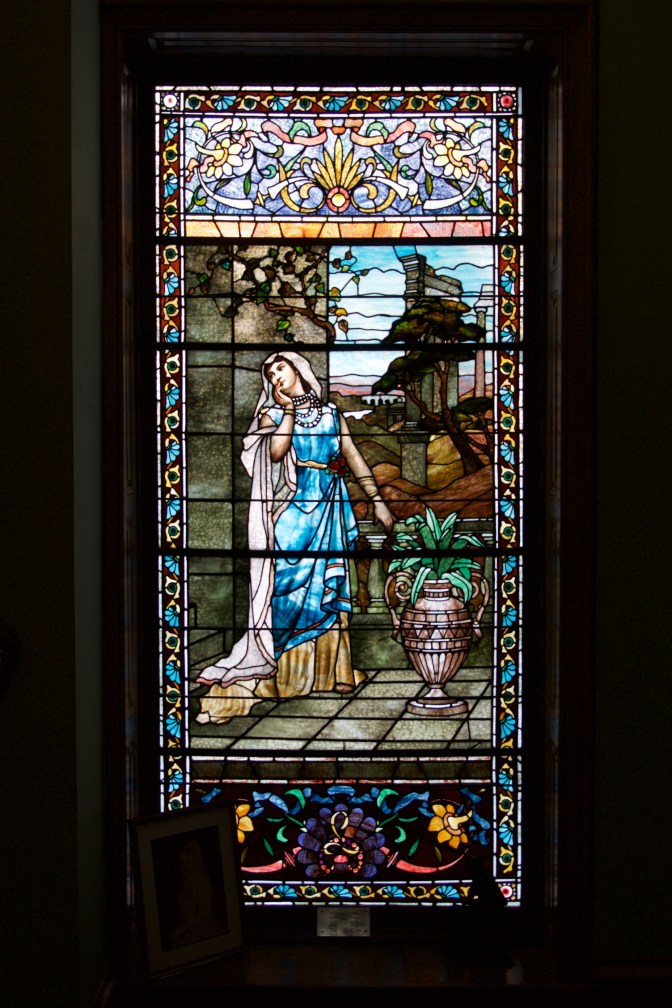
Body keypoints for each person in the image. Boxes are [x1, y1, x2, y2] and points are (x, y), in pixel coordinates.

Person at [195, 351, 394, 724]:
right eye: (269, 373)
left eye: (280, 368)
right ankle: (280, 679)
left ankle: (330, 673)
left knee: (326, 588)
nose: (275, 377)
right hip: (293, 509)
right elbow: (275, 452)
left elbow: (353, 458)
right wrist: (286, 411)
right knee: (284, 586)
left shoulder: (332, 414)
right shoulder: (271, 415)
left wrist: (378, 503)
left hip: (330, 505)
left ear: (298, 369)